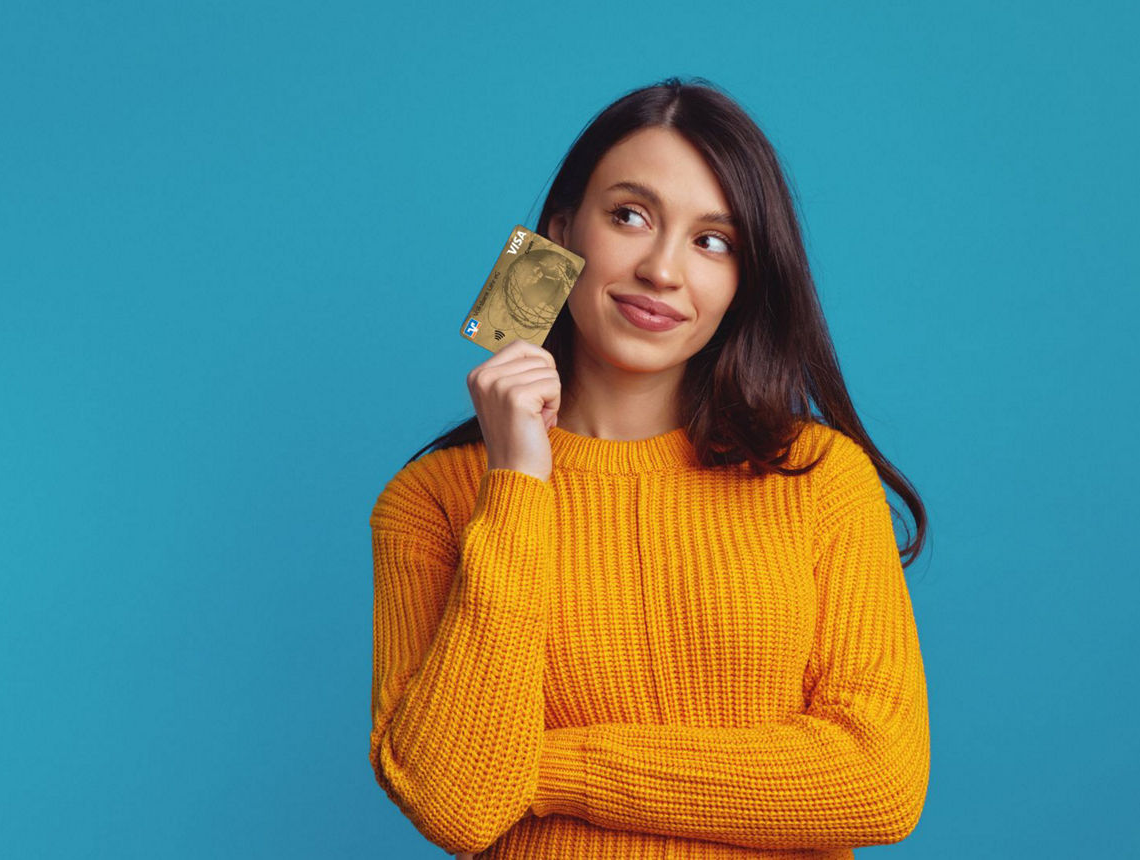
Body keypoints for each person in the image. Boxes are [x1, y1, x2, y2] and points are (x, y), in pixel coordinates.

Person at [367, 76, 931, 859]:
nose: (663, 270)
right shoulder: (430, 502)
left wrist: (545, 767)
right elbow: (453, 806)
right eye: (630, 216)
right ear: (562, 233)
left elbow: (879, 781)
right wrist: (519, 482)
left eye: (712, 241)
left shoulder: (820, 479)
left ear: (743, 278)